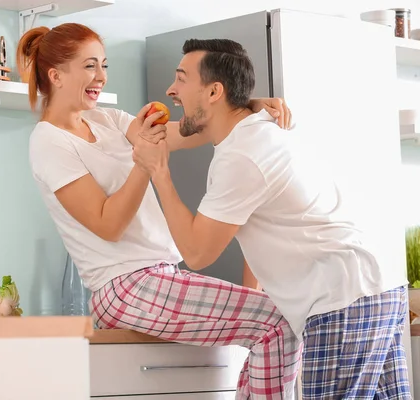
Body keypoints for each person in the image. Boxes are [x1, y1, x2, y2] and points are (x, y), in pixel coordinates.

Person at [20, 22, 299, 399]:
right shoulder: (48, 143)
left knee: (278, 319)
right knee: (278, 320)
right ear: (56, 75)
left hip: (159, 278)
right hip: (124, 287)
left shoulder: (109, 120)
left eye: (104, 65)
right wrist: (143, 163)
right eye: (90, 66)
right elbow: (108, 224)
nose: (101, 76)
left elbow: (194, 129)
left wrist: (243, 105)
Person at [131, 37, 411, 400]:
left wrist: (160, 174)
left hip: (342, 300)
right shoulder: (260, 130)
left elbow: (197, 254)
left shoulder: (242, 156)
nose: (171, 90)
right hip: (376, 289)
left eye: (181, 78)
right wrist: (247, 100)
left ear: (215, 91)